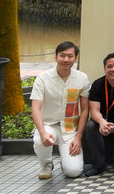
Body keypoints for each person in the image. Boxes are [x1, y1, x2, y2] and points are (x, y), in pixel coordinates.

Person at [31, 41, 90, 179]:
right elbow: (35, 109)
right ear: (55, 57)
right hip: (48, 125)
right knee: (40, 139)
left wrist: (78, 137)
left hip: (70, 129)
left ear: (75, 58)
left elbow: (85, 110)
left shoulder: (82, 78)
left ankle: (66, 161)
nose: (66, 60)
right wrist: (42, 131)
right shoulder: (43, 79)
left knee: (73, 172)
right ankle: (46, 164)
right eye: (62, 56)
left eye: (70, 56)